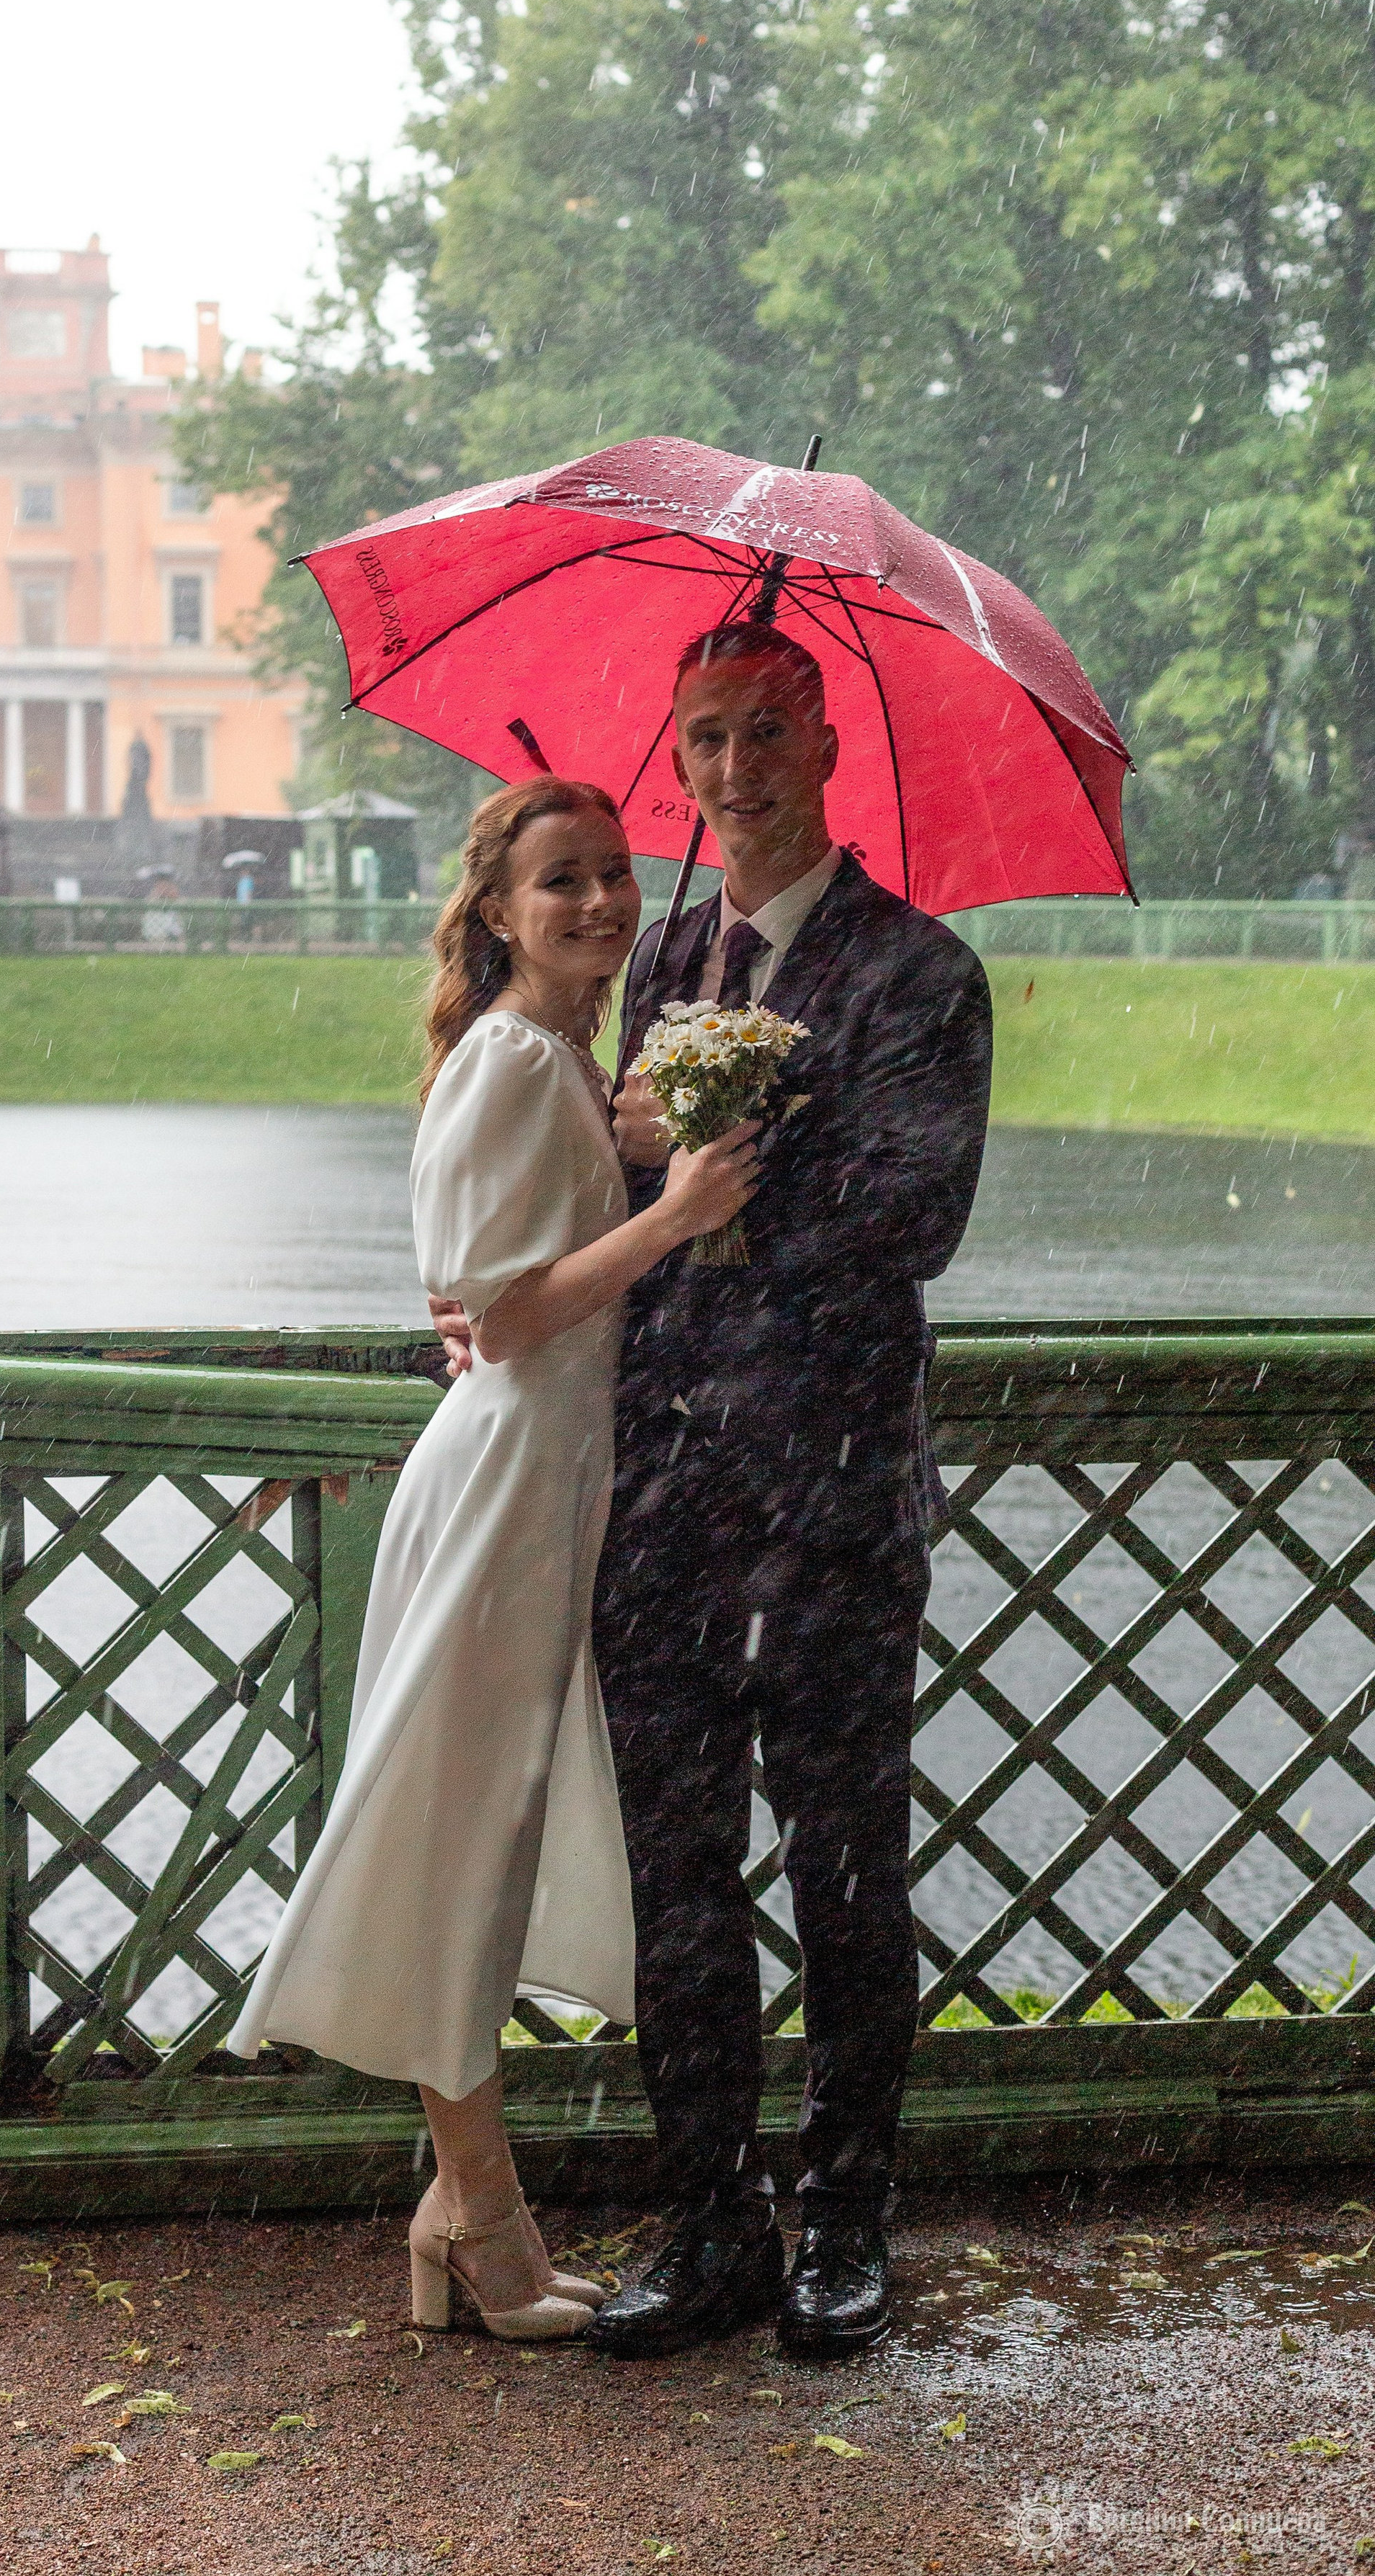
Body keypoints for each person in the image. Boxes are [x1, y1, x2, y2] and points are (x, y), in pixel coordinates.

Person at [431, 620, 994, 2359]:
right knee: (680, 1875)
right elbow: (553, 1219)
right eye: (704, 740)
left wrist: (727, 1170)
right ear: (676, 759)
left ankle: (842, 2217)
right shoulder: (649, 955)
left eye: (764, 733)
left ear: (824, 745)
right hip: (655, 1495)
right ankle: (710, 2220)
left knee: (841, 1863)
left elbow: (914, 1226)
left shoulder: (919, 975)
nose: (734, 772)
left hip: (828, 1495)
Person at [230, 775, 761, 2340]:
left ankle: (444, 2217)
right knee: (459, 1843)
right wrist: (674, 1213)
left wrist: (641, 1150)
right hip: (507, 1491)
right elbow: (500, 1311)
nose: (601, 902)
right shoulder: (513, 1063)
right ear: (496, 913)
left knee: (486, 1830)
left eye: (611, 875)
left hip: (547, 1485)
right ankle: (482, 2221)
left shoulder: (554, 1063)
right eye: (560, 883)